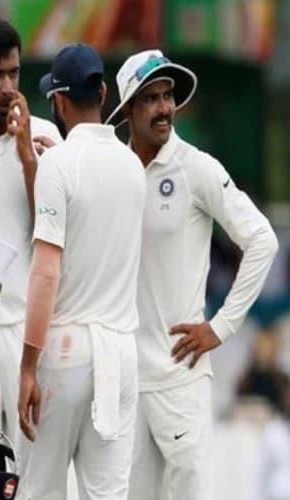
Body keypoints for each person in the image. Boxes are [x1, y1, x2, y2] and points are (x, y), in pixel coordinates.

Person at [105, 49, 279, 500]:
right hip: (125, 380)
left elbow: (262, 240)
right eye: (151, 98)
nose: (164, 107)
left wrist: (220, 327)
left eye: (168, 96)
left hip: (180, 378)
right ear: (127, 110)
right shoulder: (113, 171)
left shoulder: (196, 168)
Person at [17, 43, 146, 500]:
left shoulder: (58, 164)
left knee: (39, 491)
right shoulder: (133, 166)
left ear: (58, 101)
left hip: (66, 349)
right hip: (120, 353)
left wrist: (27, 366)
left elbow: (45, 273)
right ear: (104, 94)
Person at [0, 15, 62, 477]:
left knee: (31, 480)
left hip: (26, 337)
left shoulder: (45, 137)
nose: (7, 87)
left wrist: (28, 157)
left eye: (14, 73)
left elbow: (54, 233)